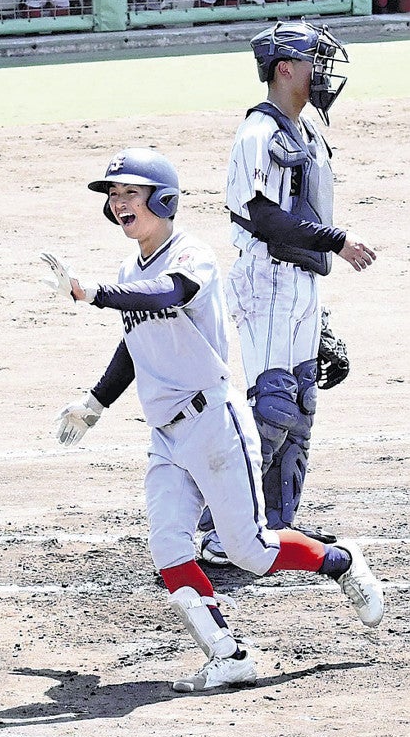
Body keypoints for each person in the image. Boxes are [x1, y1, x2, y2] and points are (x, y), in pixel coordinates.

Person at [40, 147, 383, 692]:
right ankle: (228, 654)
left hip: (213, 424)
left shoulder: (191, 256)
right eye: (113, 195)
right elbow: (137, 341)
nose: (119, 203)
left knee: (249, 550)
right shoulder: (131, 269)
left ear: (164, 199)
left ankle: (340, 561)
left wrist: (93, 294)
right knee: (169, 548)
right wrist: (95, 403)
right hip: (165, 435)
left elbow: (171, 293)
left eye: (131, 192)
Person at [198, 21, 376, 566]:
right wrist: (338, 241)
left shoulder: (309, 132)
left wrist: (317, 314)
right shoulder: (259, 133)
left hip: (300, 284)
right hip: (266, 277)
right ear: (284, 69)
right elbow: (265, 220)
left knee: (300, 405)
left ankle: (273, 525)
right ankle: (216, 530)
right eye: (313, 61)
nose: (321, 73)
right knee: (272, 405)